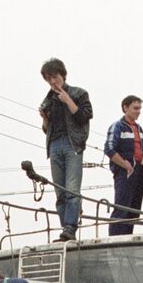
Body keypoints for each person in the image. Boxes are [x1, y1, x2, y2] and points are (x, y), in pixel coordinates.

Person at [38, 58, 93, 241]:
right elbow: (47, 128)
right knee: (60, 191)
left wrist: (68, 100)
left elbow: (84, 117)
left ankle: (70, 226)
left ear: (63, 75)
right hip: (54, 144)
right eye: (49, 79)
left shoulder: (79, 93)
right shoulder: (48, 99)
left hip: (72, 145)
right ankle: (65, 229)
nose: (53, 82)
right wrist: (45, 118)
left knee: (71, 189)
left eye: (55, 77)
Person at [102, 95, 143, 236]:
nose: (138, 112)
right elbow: (109, 148)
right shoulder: (118, 126)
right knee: (121, 208)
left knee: (133, 211)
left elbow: (142, 148)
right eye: (135, 108)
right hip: (125, 172)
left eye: (140, 109)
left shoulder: (139, 128)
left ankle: (127, 238)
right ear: (125, 107)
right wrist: (125, 165)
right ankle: (116, 239)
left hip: (139, 172)